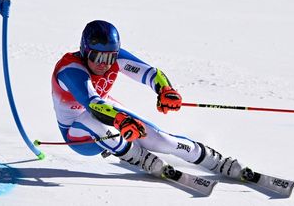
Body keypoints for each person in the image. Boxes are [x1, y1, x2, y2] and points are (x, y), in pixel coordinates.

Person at [51, 20, 252, 180]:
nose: (105, 64)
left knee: (160, 139)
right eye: (98, 57)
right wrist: (120, 120)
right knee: (92, 120)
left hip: (108, 114)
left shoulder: (115, 58)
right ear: (85, 50)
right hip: (77, 135)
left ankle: (215, 161)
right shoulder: (70, 69)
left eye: (110, 57)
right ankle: (138, 157)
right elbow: (93, 104)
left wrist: (165, 90)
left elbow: (150, 73)